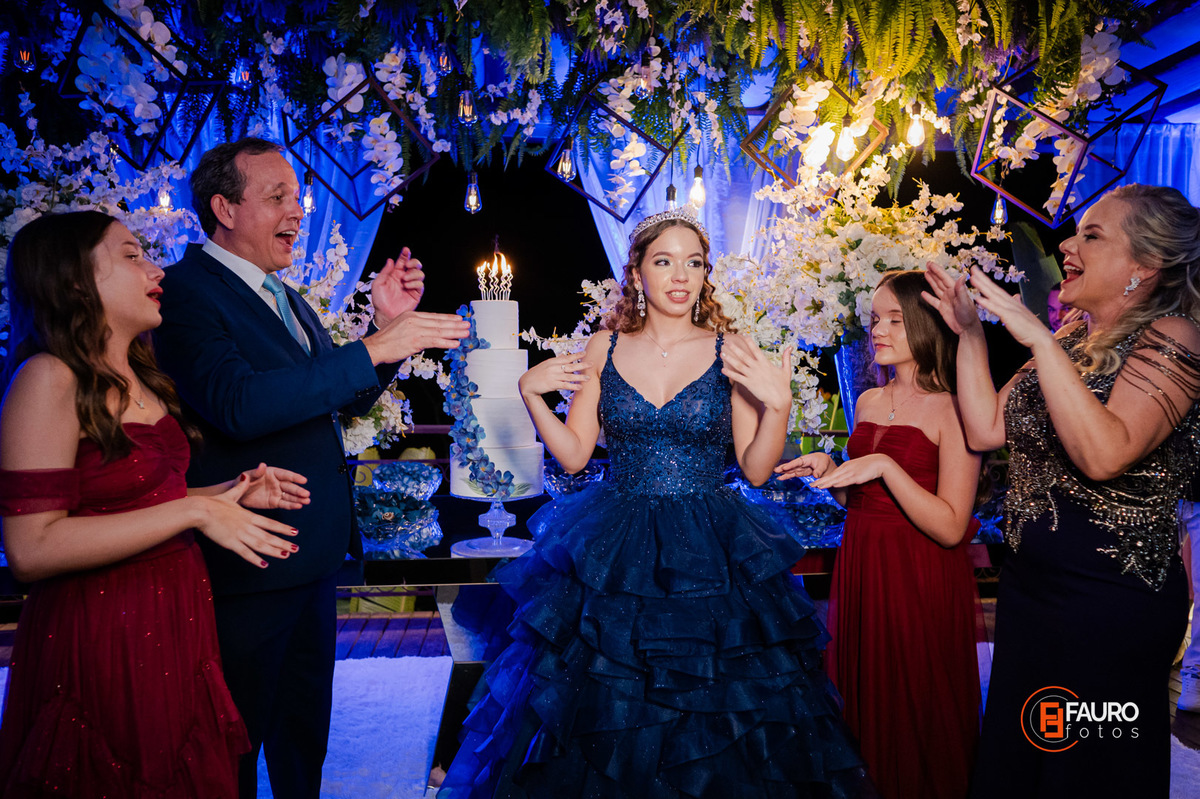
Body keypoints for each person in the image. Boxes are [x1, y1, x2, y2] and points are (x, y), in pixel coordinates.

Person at [437, 208, 870, 798]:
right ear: (638, 272)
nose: (680, 275)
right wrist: (530, 395)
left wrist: (780, 406)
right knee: (604, 698)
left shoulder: (732, 349)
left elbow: (755, 468)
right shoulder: (603, 347)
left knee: (720, 702)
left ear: (705, 273)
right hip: (618, 541)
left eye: (694, 263)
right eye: (664, 261)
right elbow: (574, 456)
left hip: (711, 546)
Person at [151, 137, 470, 798]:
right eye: (278, 198)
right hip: (250, 563)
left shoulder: (286, 297)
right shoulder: (184, 293)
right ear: (224, 208)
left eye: (297, 198)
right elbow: (238, 404)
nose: (297, 212)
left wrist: (383, 332)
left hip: (313, 557)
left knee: (303, 744)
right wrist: (374, 348)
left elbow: (338, 403)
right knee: (232, 747)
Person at [0, 211, 307, 797]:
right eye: (131, 256)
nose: (156, 269)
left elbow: (133, 502)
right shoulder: (47, 378)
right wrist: (196, 512)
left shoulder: (141, 374)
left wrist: (224, 494)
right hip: (101, 632)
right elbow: (31, 548)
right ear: (74, 281)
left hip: (176, 618)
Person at [923, 183, 1200, 798]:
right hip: (1032, 593)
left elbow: (1105, 454)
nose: (1067, 247)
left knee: (1091, 772)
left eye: (1091, 236)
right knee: (1024, 761)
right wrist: (970, 334)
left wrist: (1040, 340)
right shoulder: (1074, 336)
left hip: (1110, 603)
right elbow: (986, 428)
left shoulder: (1175, 336)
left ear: (1146, 264)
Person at [775, 270, 983, 799]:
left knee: (916, 697)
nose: (878, 331)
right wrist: (831, 472)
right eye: (874, 320)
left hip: (919, 571)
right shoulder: (867, 400)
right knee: (862, 690)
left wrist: (886, 467)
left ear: (927, 323)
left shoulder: (955, 406)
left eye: (895, 319)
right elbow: (862, 498)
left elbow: (952, 526)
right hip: (862, 563)